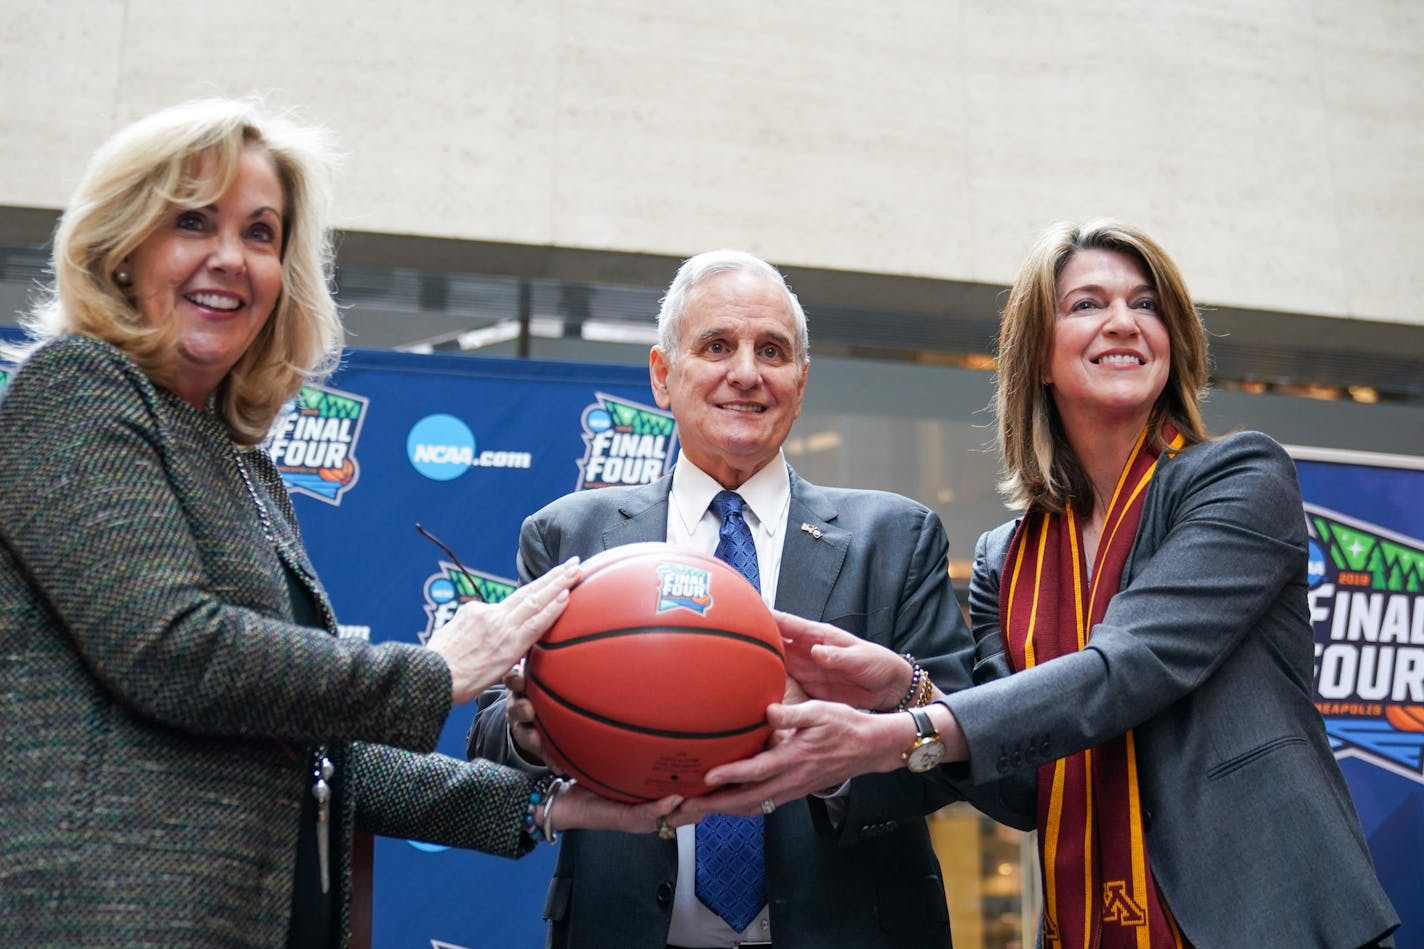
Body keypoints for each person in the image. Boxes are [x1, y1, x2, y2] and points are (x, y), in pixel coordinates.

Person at [0, 97, 679, 948]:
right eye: (193, 221)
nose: (230, 258)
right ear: (121, 248)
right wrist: (437, 669)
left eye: (260, 232)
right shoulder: (78, 387)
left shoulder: (239, 461)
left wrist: (550, 804)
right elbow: (175, 650)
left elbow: (306, 750)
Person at [688, 221, 1400, 948]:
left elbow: (1129, 666)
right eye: (1087, 303)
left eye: (1146, 304)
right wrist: (907, 688)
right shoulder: (1005, 555)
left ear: (1174, 340)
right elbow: (1023, 788)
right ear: (1039, 356)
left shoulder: (1240, 479)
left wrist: (890, 736)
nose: (1123, 321)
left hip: (1269, 922)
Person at [467, 249, 1004, 949]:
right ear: (663, 375)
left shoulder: (894, 536)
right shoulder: (574, 536)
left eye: (772, 351)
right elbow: (488, 745)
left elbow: (959, 748)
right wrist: (533, 733)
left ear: (800, 382)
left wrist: (840, 766)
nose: (746, 373)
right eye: (717, 345)